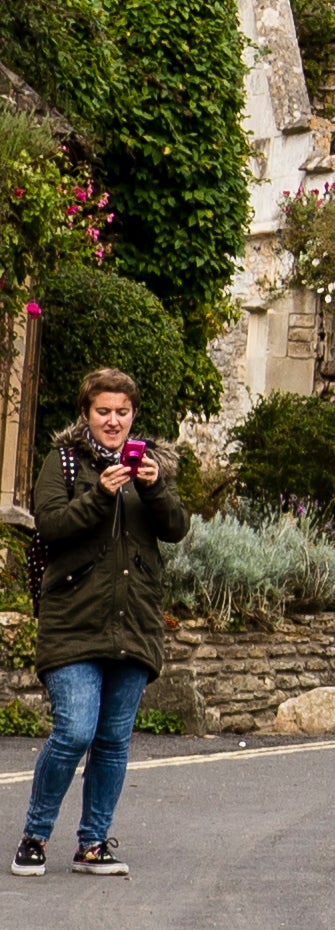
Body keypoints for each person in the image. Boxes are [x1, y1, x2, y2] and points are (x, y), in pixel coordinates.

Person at [17, 369, 185, 879]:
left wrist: (153, 489)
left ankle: (92, 844)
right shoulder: (63, 460)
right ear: (86, 414)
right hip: (73, 621)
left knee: (113, 740)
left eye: (122, 412)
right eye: (103, 411)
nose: (113, 421)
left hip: (133, 621)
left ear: (134, 415)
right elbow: (50, 525)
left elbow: (176, 529)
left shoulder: (152, 465)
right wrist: (100, 495)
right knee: (73, 730)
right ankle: (35, 835)